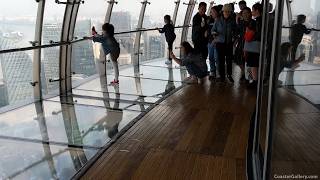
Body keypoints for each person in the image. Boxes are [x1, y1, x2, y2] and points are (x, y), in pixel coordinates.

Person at [212, 3, 237, 83]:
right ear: (222, 12)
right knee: (220, 61)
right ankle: (222, 76)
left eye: (228, 11)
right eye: (225, 11)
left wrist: (234, 37)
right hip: (220, 43)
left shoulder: (232, 21)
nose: (226, 13)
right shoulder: (218, 20)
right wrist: (215, 33)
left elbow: (236, 31)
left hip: (229, 43)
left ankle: (229, 75)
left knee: (229, 60)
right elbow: (213, 30)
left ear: (230, 12)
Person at [245, 3, 263, 88]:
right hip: (259, 46)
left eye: (253, 10)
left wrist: (249, 32)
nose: (252, 12)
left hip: (254, 46)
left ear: (257, 11)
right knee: (255, 64)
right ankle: (256, 81)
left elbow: (257, 34)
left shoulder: (257, 21)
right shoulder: (263, 20)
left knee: (253, 64)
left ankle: (255, 82)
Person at [235, 7, 252, 81]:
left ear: (250, 13)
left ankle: (248, 74)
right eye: (243, 13)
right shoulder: (241, 22)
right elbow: (238, 30)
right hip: (241, 42)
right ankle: (243, 72)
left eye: (246, 13)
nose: (245, 14)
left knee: (247, 59)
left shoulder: (252, 22)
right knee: (238, 58)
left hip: (249, 42)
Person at [207, 6, 222, 79]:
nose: (211, 13)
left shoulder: (220, 21)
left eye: (213, 12)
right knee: (211, 57)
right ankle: (212, 71)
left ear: (217, 12)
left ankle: (218, 72)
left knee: (217, 58)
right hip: (210, 42)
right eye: (211, 12)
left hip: (217, 43)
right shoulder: (210, 21)